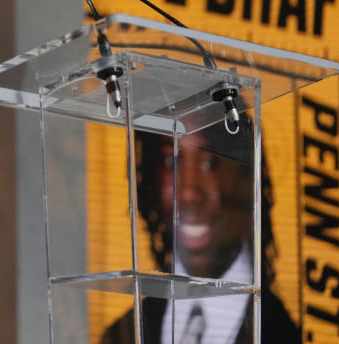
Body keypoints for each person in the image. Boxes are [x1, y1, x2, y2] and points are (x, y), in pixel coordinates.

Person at [100, 118, 300, 343]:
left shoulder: (281, 332)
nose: (189, 194)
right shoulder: (121, 334)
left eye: (210, 163)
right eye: (171, 161)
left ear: (247, 176)